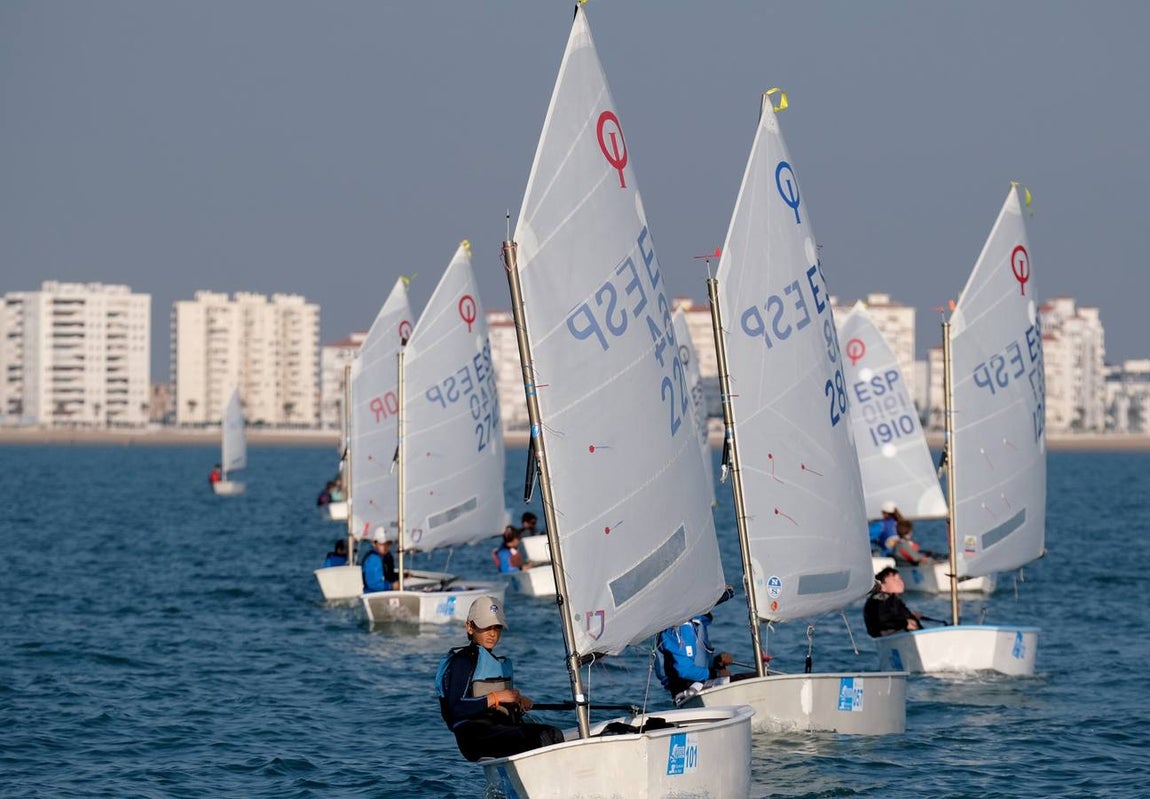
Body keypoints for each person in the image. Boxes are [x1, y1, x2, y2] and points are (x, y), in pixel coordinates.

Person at [436, 595, 564, 761]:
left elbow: (489, 700)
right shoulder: (463, 661)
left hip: (498, 729)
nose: (493, 634)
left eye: (497, 627)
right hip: (474, 737)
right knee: (542, 736)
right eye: (486, 627)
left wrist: (516, 702)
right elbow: (456, 707)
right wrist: (497, 697)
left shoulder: (493, 662)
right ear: (469, 627)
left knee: (554, 734)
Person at [655, 586, 743, 704]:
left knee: (758, 677)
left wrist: (717, 663)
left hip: (701, 684)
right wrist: (716, 673)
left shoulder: (697, 622)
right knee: (752, 680)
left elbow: (693, 660)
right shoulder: (680, 626)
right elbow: (684, 670)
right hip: (689, 691)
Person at [863, 566, 923, 637]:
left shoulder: (894, 599)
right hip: (886, 636)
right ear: (883, 586)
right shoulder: (879, 600)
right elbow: (881, 622)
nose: (900, 582)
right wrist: (905, 623)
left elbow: (906, 616)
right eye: (894, 579)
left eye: (900, 578)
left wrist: (913, 617)